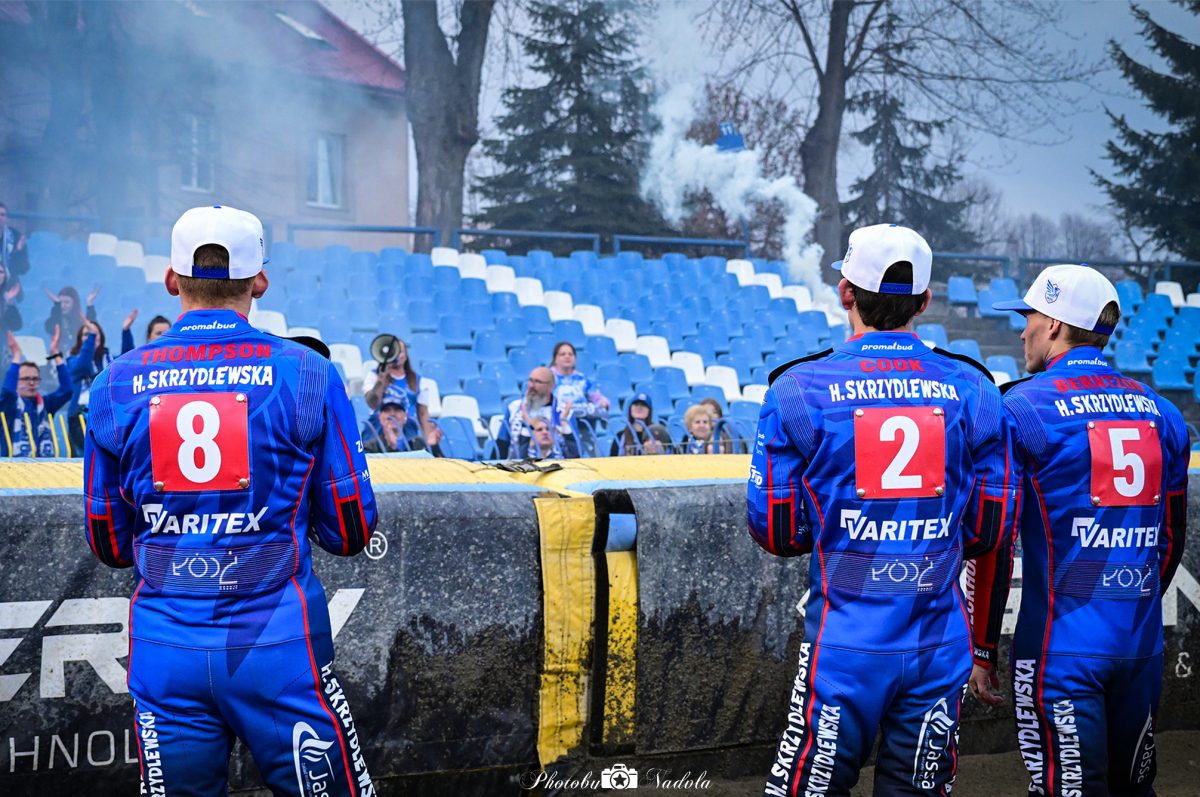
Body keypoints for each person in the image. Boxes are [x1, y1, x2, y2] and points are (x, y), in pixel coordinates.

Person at [82, 205, 377, 796]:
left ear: (171, 279)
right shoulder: (308, 372)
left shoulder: (113, 382)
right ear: (259, 281)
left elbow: (109, 544)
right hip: (279, 643)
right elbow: (350, 531)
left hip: (165, 647)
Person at [747, 223, 1018, 796]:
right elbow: (989, 529)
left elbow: (775, 531)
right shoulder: (974, 387)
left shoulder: (797, 388)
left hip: (844, 642)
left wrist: (841, 526)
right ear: (925, 300)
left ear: (846, 292)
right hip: (939, 642)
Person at [970, 264, 1188, 797]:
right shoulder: (1164, 413)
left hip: (1058, 649)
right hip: (1139, 645)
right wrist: (1131, 603)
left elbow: (994, 542)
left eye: (1028, 317)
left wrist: (982, 648)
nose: (1021, 331)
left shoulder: (1019, 408)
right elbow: (1171, 540)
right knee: (1134, 789)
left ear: (1053, 323)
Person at [1, 327, 71, 456]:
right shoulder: (10, 405)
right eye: (26, 379)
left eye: (35, 379)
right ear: (16, 381)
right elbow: (8, 392)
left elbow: (67, 390)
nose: (31, 383)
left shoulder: (45, 404)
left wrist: (56, 354)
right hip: (13, 465)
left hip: (43, 465)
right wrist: (16, 355)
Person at [362, 335, 442, 448]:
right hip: (378, 432)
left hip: (407, 433)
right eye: (392, 352)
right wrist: (380, 380)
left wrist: (428, 438)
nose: (396, 356)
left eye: (399, 352)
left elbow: (423, 413)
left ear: (405, 356)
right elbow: (372, 403)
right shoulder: (373, 375)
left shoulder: (418, 381)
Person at [497, 366, 571, 459]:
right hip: (519, 465)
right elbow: (502, 444)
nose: (531, 386)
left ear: (551, 386)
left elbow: (575, 452)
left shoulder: (564, 410)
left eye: (537, 382)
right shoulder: (514, 408)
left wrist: (563, 423)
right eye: (530, 380)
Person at [549, 341, 608, 453]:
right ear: (555, 359)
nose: (567, 356)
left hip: (582, 426)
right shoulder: (548, 378)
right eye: (563, 354)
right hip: (556, 426)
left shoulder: (582, 379)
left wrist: (603, 403)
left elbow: (598, 398)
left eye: (570, 354)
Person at [62, 319, 110, 456]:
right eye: (86, 334)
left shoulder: (109, 360)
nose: (91, 336)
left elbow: (127, 361)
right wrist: (92, 337)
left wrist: (126, 331)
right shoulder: (72, 361)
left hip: (105, 414)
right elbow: (82, 366)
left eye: (95, 333)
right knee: (84, 458)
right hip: (80, 418)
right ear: (80, 340)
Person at [610, 392, 672, 456]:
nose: (639, 408)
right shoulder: (621, 436)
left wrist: (661, 450)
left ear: (649, 410)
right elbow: (612, 459)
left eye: (643, 405)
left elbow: (672, 454)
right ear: (630, 409)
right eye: (636, 404)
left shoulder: (659, 433)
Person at [362, 396, 426, 453]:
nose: (392, 414)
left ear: (405, 416)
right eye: (387, 410)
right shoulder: (370, 447)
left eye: (397, 410)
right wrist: (391, 448)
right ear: (380, 418)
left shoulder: (419, 444)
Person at [43, 284, 96, 349]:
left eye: (66, 302)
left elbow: (93, 330)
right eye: (60, 302)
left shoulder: (80, 320)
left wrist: (90, 304)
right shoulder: (54, 320)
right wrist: (57, 306)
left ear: (74, 304)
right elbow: (51, 329)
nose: (63, 306)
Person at [0, 202, 29, 278]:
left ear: (7, 219)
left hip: (9, 281)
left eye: (2, 215)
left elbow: (23, 269)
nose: (0, 217)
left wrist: (18, 252)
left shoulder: (16, 237)